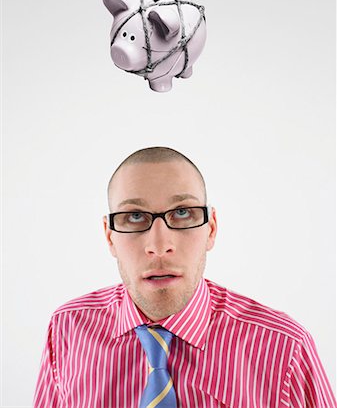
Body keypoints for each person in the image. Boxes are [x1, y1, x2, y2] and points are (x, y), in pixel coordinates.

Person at [34, 146, 336, 408]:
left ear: (211, 229)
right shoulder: (67, 329)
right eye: (135, 217)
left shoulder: (285, 349)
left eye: (182, 213)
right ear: (110, 237)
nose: (158, 246)